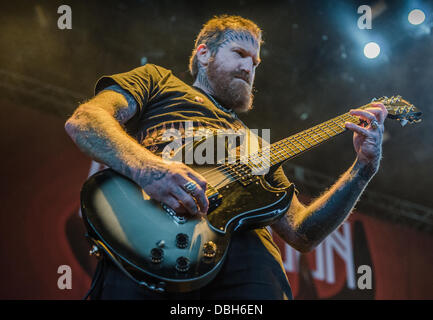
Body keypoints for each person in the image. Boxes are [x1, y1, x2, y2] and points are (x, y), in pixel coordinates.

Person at [65, 15, 387, 300]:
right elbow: (86, 121)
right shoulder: (158, 81)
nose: (249, 68)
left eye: (255, 63)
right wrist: (150, 170)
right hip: (147, 250)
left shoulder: (256, 146)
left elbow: (302, 233)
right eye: (240, 54)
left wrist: (363, 168)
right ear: (204, 53)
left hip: (249, 276)